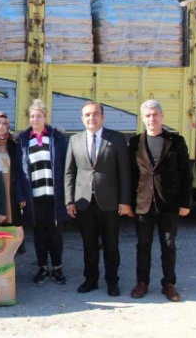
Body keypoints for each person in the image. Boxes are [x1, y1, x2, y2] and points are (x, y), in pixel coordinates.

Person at [65, 101, 132, 297]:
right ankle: (90, 279)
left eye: (95, 114)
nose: (91, 118)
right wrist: (69, 200)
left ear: (103, 117)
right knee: (89, 244)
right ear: (82, 119)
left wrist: (125, 200)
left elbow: (124, 172)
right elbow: (69, 172)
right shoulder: (75, 140)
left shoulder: (116, 139)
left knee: (111, 244)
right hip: (84, 202)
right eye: (87, 115)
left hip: (110, 202)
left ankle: (112, 281)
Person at [129, 100, 193, 302]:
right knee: (143, 245)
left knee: (168, 245)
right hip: (143, 203)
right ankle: (142, 282)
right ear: (142, 118)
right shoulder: (135, 142)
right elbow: (131, 175)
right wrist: (128, 203)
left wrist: (186, 203)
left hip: (169, 203)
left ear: (162, 116)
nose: (152, 118)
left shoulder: (176, 141)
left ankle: (169, 283)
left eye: (155, 114)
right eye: (148, 115)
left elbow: (186, 174)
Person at [16, 100, 69, 285]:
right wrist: (21, 195)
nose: (35, 119)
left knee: (56, 233)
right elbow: (19, 170)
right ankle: (42, 268)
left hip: (54, 195)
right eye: (32, 116)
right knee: (39, 233)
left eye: (39, 115)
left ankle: (57, 268)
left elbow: (66, 166)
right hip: (35, 196)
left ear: (45, 117)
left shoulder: (58, 138)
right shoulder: (22, 140)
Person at [0, 111, 24, 227]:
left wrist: (21, 194)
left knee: (11, 229)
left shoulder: (13, 143)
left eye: (4, 123)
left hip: (10, 190)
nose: (1, 126)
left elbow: (19, 170)